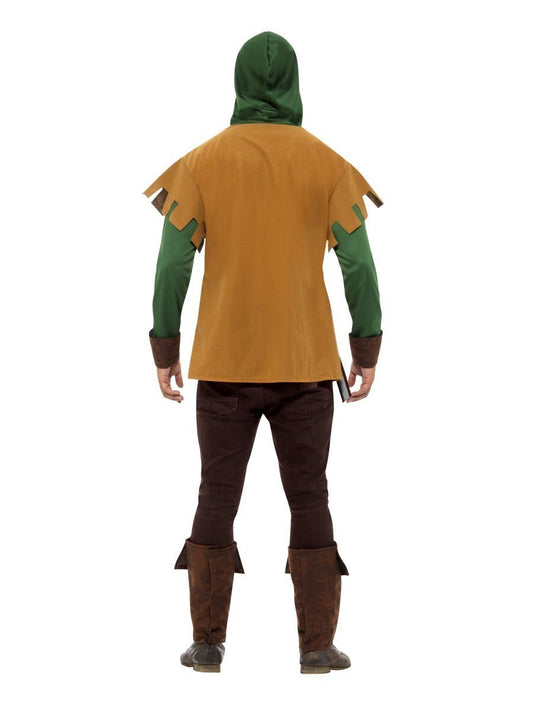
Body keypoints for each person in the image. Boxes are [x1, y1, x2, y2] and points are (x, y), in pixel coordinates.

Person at [142, 30, 384, 674]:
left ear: (240, 82)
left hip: (224, 365)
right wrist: (366, 345)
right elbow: (359, 266)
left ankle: (207, 644)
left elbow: (171, 266)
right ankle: (316, 647)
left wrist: (165, 346)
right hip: (305, 366)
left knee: (216, 495)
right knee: (310, 496)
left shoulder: (200, 165)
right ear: (295, 82)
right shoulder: (328, 166)